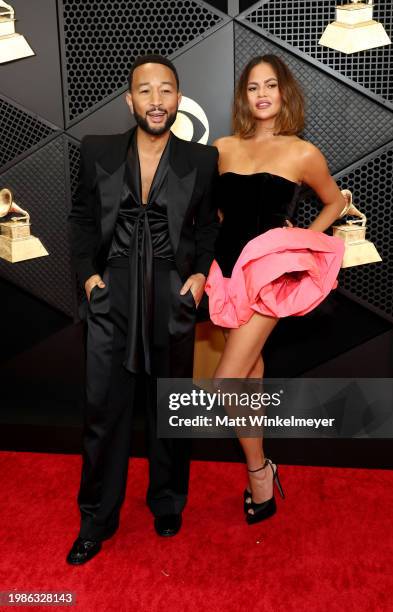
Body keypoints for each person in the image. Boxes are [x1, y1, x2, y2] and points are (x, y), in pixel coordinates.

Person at [66, 54, 219, 564]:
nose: (157, 100)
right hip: (112, 293)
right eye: (146, 91)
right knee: (103, 412)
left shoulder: (201, 160)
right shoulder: (96, 150)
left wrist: (197, 277)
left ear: (179, 99)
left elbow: (206, 228)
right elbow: (83, 218)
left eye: (166, 90)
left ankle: (168, 501)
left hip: (171, 294)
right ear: (130, 100)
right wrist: (89, 278)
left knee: (170, 409)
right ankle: (95, 520)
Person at [205, 54, 346, 525]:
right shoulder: (222, 147)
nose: (262, 93)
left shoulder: (303, 153)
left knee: (226, 381)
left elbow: (334, 202)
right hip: (225, 270)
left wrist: (298, 238)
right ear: (243, 97)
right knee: (248, 382)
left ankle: (259, 470)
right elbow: (218, 213)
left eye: (270, 85)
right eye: (252, 87)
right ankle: (260, 476)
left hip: (267, 275)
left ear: (284, 92)